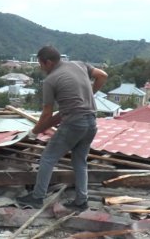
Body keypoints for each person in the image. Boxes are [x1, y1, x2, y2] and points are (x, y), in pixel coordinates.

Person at [17, 46, 108, 210]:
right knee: (80, 161)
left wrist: (33, 132)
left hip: (74, 123)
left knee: (48, 158)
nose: (40, 67)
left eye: (41, 64)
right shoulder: (80, 65)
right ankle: (82, 201)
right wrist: (89, 94)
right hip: (91, 122)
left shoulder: (51, 80)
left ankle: (37, 197)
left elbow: (46, 115)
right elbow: (102, 75)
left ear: (49, 62)